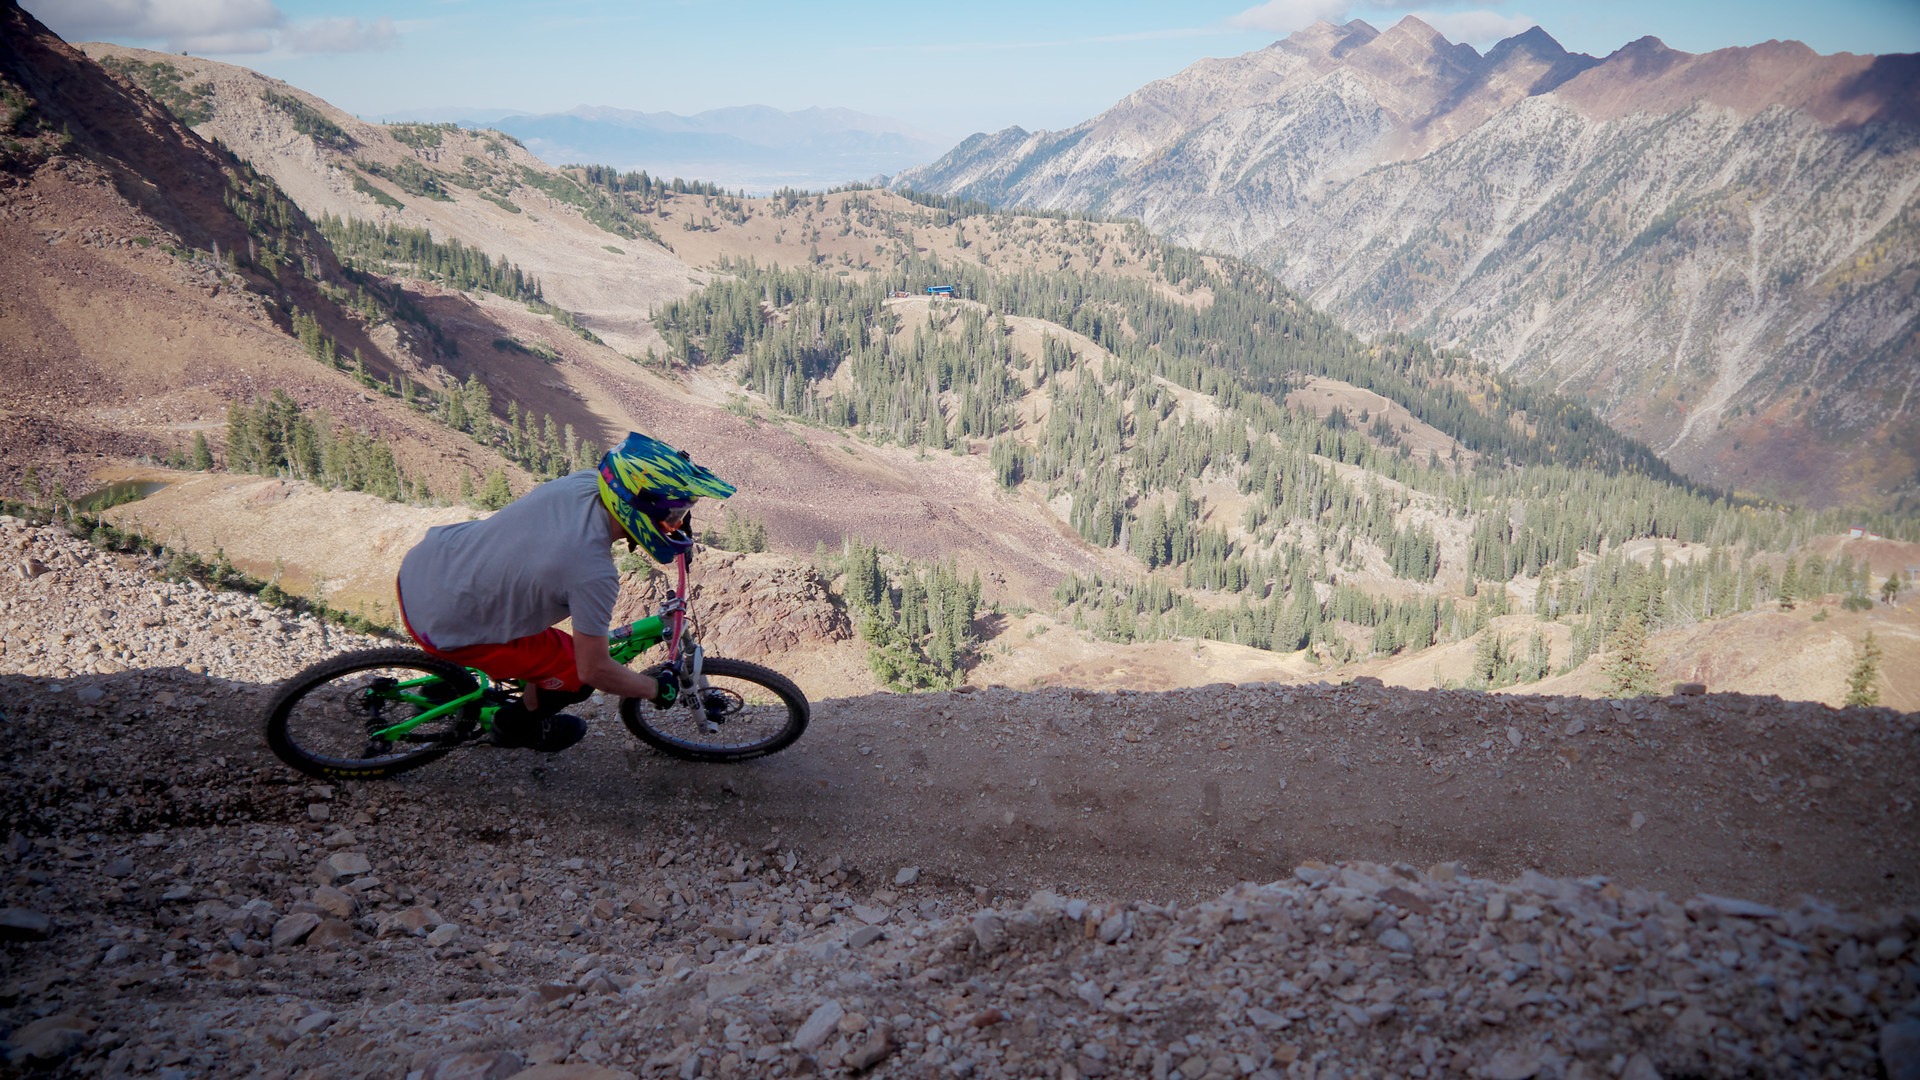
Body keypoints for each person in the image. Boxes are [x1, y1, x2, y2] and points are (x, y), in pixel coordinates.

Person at [395, 431, 736, 752]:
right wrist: (655, 689)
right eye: (673, 516)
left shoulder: (584, 483)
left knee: (529, 612)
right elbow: (595, 670)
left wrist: (672, 522)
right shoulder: (593, 575)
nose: (677, 524)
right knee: (574, 673)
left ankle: (447, 685)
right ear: (639, 508)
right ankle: (514, 726)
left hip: (427, 565)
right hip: (441, 623)